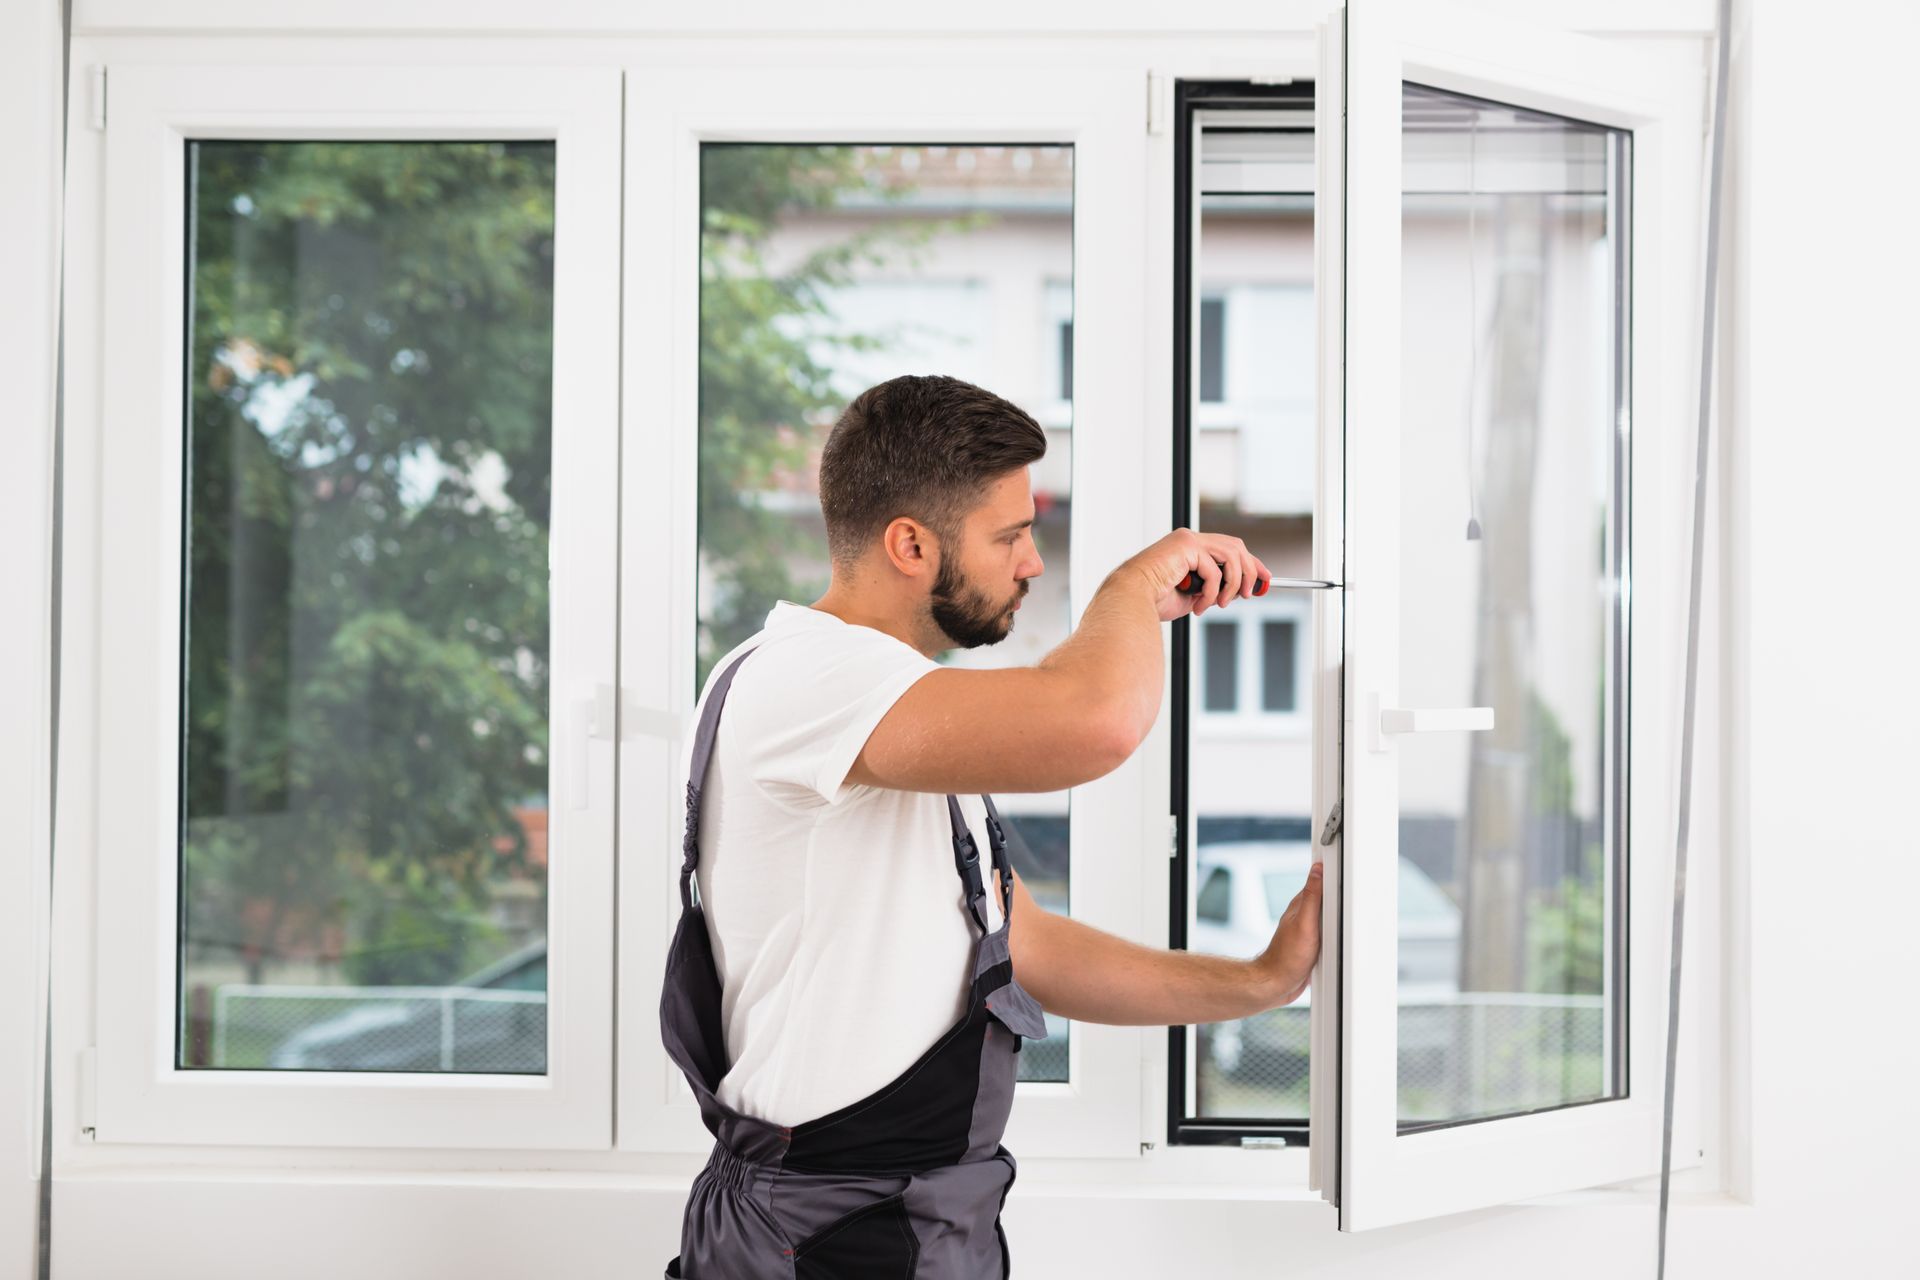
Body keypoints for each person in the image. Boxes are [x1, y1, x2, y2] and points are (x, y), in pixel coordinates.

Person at [662, 374, 1323, 1279]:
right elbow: (1095, 721)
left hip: (910, 1215)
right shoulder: (807, 679)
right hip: (826, 1236)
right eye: (1010, 535)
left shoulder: (891, 711)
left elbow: (1021, 946)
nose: (1032, 562)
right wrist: (1132, 588)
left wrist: (1259, 981)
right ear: (910, 544)